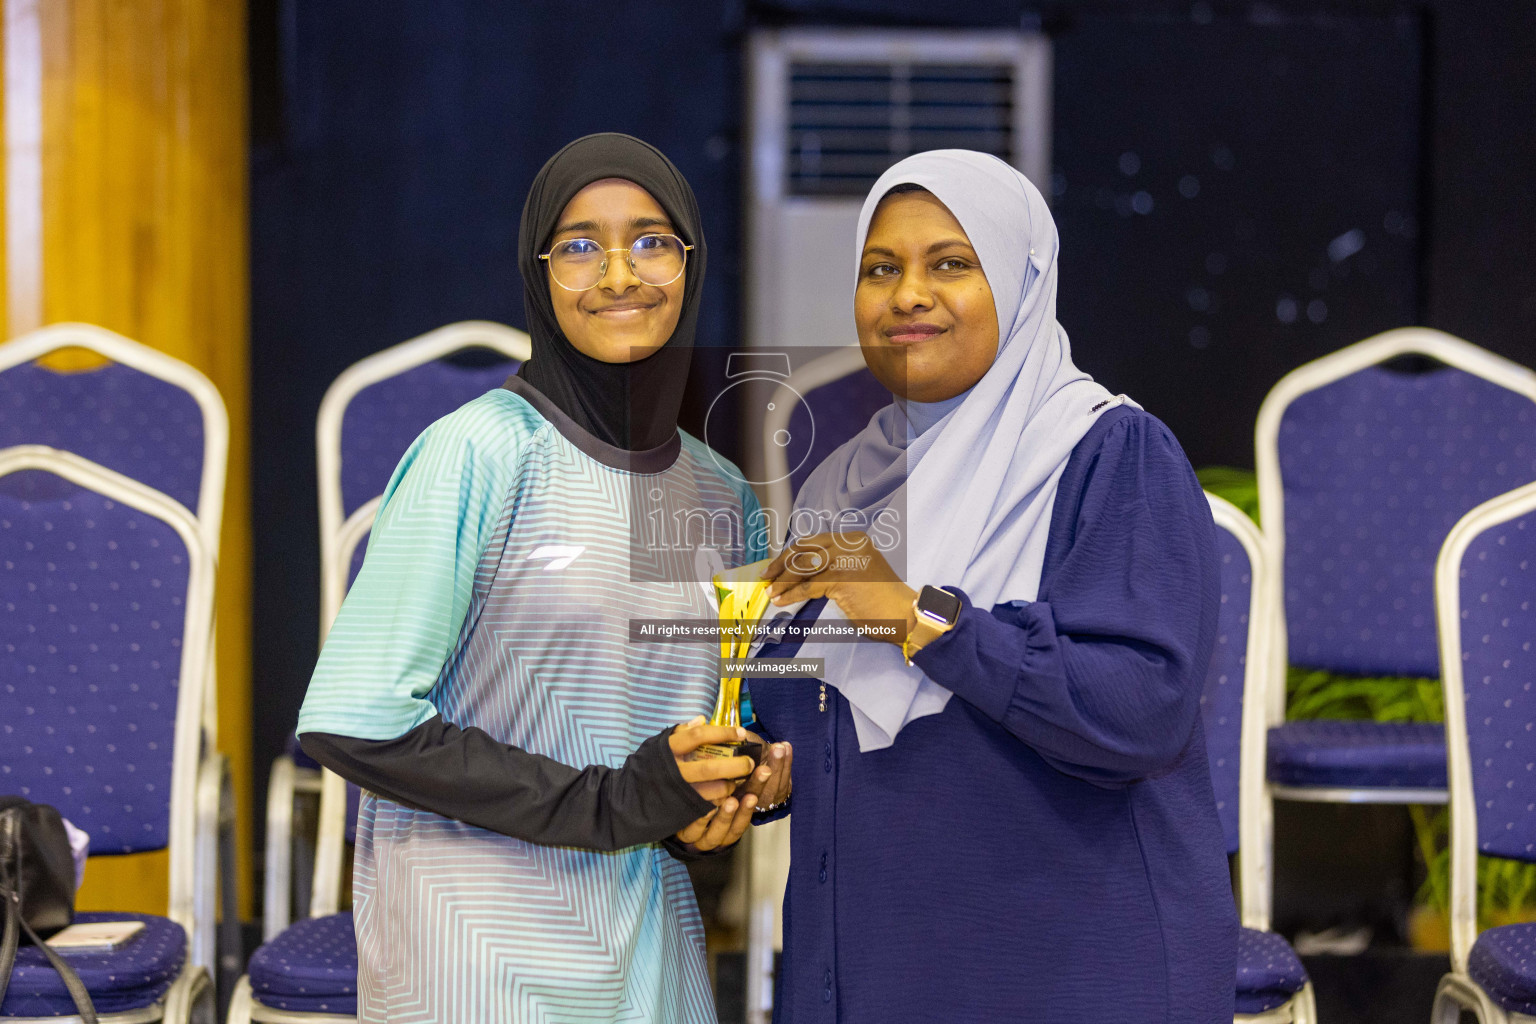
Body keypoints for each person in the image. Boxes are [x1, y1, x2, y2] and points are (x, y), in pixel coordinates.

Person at [297, 132, 792, 1024]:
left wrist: (732, 788)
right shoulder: (478, 452)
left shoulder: (721, 496)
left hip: (650, 952)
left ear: (691, 262)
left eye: (651, 240)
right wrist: (613, 803)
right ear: (539, 271)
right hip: (475, 956)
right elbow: (353, 720)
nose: (618, 275)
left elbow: (716, 721)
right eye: (578, 246)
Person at [747, 150, 1237, 1022]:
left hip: (1068, 966)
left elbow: (1140, 710)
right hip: (875, 964)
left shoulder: (1108, 454)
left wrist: (918, 614)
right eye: (880, 268)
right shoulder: (841, 486)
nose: (907, 295)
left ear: (1021, 279)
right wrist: (757, 768)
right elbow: (808, 721)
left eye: (950, 263)